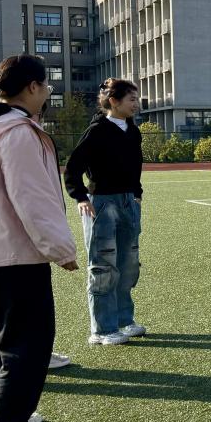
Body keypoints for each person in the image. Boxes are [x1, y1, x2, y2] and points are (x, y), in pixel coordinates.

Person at [0, 54, 76, 422]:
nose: (47, 92)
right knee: (28, 343)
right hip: (11, 254)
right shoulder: (18, 133)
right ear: (32, 87)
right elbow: (32, 199)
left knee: (2, 341)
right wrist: (60, 249)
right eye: (46, 85)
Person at [63, 77, 145, 346]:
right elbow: (73, 168)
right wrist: (80, 196)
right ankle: (102, 329)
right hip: (102, 204)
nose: (136, 103)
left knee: (128, 265)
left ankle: (124, 320)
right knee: (103, 266)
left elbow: (135, 166)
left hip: (129, 202)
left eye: (136, 99)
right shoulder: (97, 131)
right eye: (131, 99)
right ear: (114, 101)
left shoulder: (133, 131)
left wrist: (137, 195)